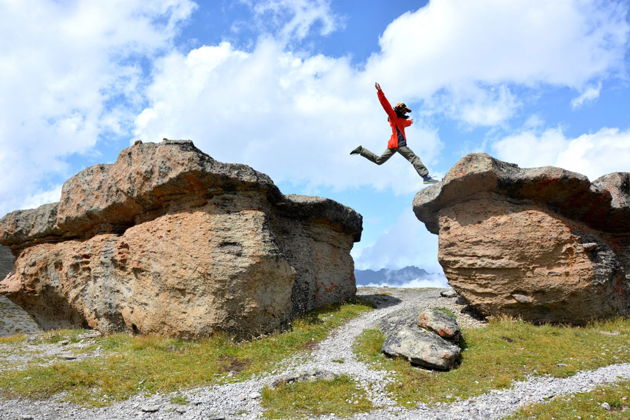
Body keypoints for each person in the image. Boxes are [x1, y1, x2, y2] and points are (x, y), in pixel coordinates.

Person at [350, 82, 439, 184]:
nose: (405, 112)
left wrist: (410, 122)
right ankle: (426, 177)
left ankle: (362, 150)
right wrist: (380, 92)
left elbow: (406, 123)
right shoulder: (393, 116)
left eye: (406, 111)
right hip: (399, 144)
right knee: (413, 158)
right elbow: (386, 105)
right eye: (404, 110)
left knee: (379, 161)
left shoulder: (402, 121)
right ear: (399, 110)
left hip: (392, 145)